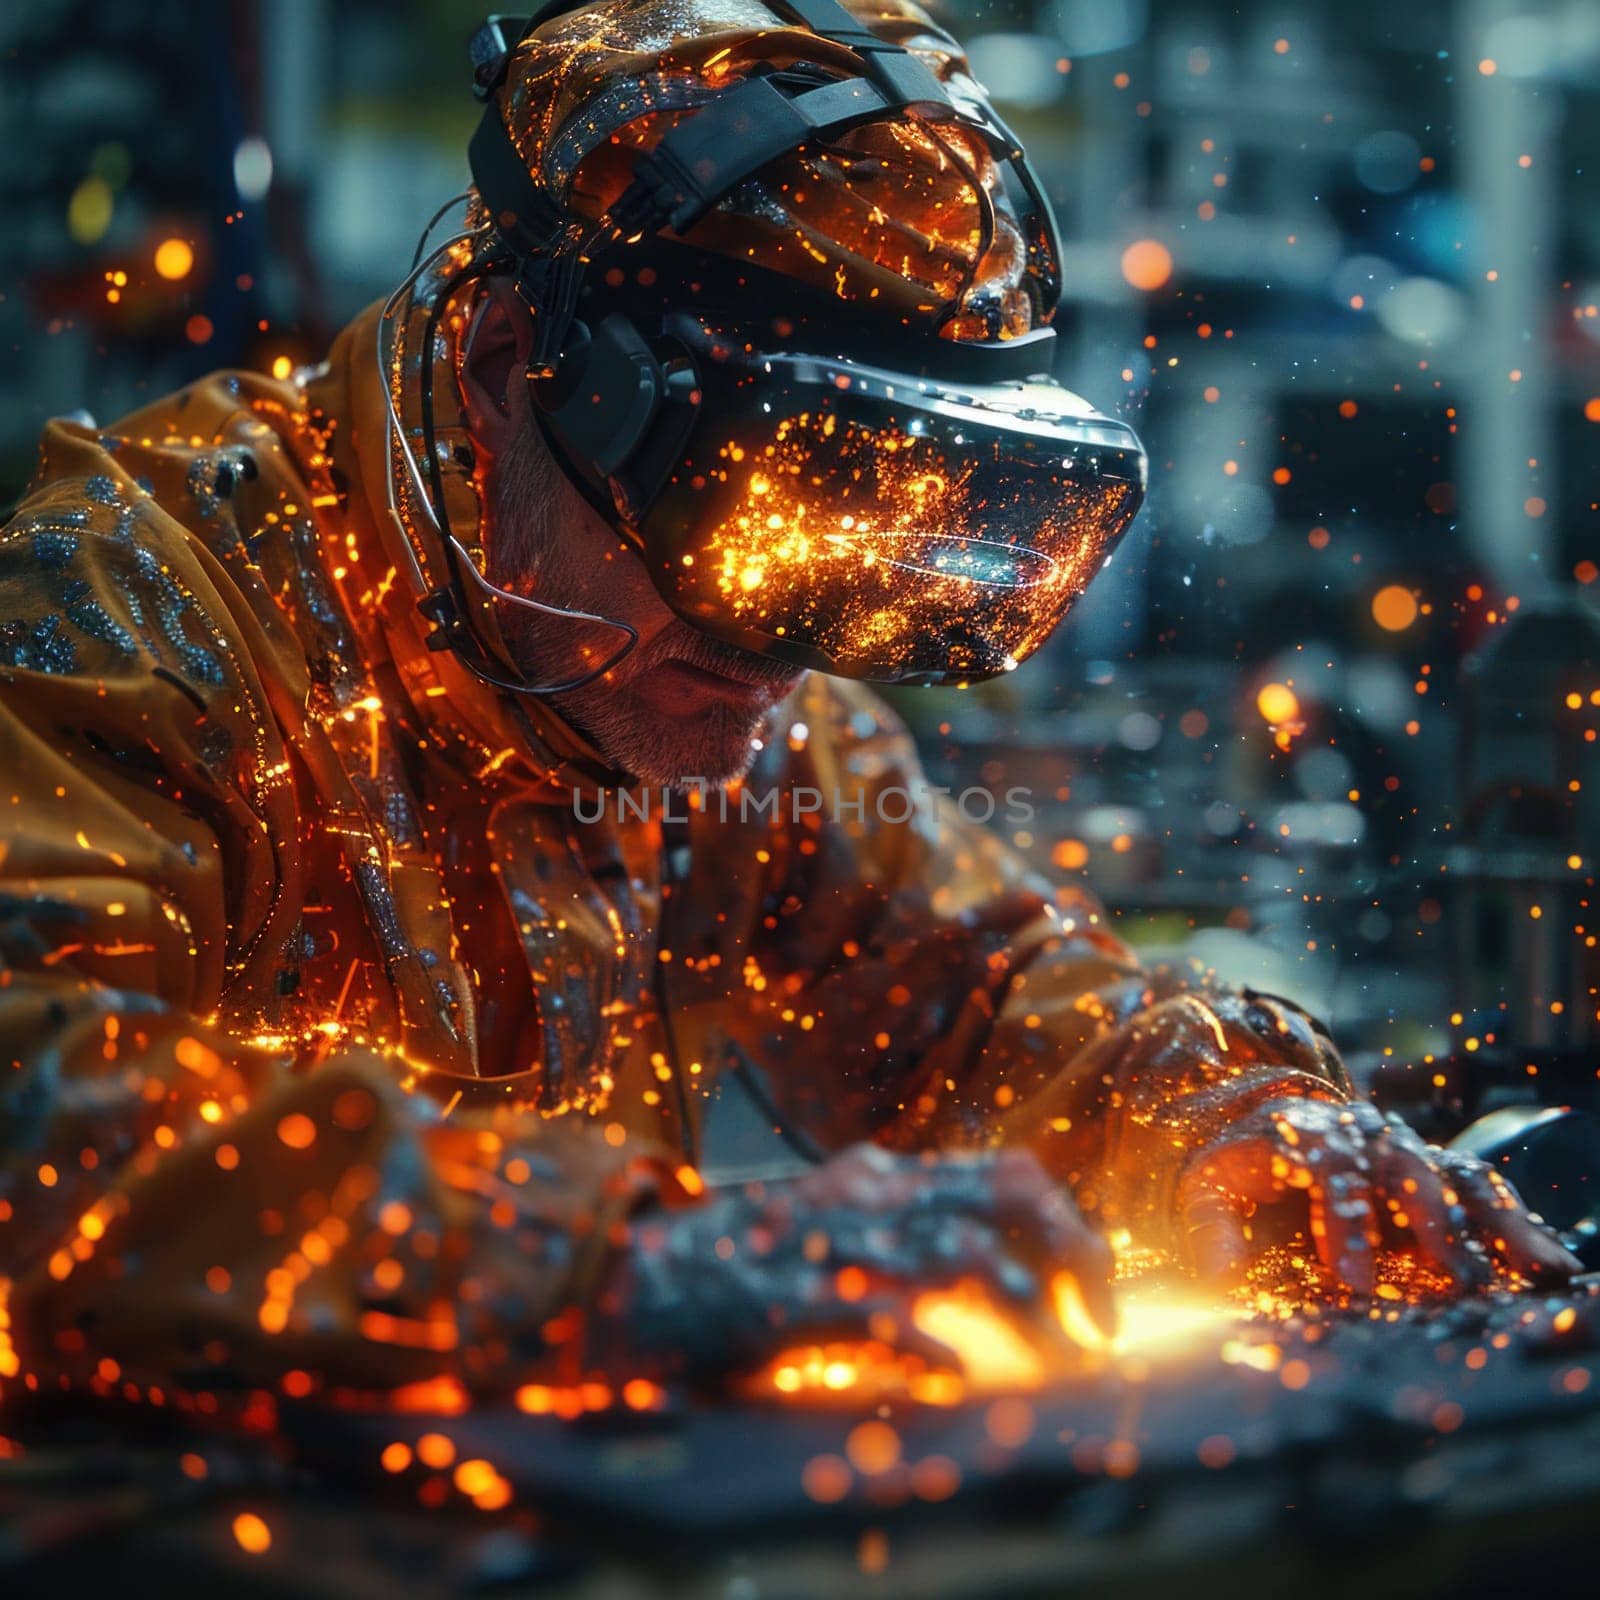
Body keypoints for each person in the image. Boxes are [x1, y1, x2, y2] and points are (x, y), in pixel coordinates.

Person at [0, 0, 1573, 1408]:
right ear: (502, 372)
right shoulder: (138, 610)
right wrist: (619, 1268)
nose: (786, 644)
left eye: (859, 546)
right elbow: (36, 1112)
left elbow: (975, 1001)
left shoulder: (717, 701)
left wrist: (1213, 1127)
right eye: (741, 510)